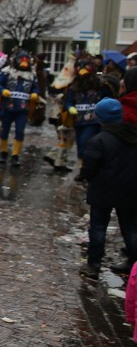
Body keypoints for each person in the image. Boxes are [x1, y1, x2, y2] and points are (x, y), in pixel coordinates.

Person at [77, 98, 137, 281]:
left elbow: (89, 168)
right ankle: (134, 264)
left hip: (102, 191)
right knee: (130, 228)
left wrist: (86, 177)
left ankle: (93, 265)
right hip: (130, 190)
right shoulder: (134, 136)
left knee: (98, 228)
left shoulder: (98, 140)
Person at [65, 53, 112, 170]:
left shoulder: (100, 85)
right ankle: (83, 167)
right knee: (80, 145)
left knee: (85, 141)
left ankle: (86, 168)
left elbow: (109, 98)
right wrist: (70, 108)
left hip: (93, 120)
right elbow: (68, 101)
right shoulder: (73, 86)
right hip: (78, 120)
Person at [0, 49, 38, 167]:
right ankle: (3, 152)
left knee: (20, 131)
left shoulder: (31, 75)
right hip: (7, 107)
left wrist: (35, 93)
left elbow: (36, 88)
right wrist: (3, 91)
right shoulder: (7, 72)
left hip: (23, 109)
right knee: (4, 130)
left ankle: (15, 155)